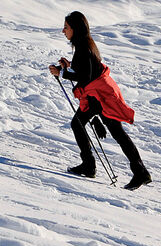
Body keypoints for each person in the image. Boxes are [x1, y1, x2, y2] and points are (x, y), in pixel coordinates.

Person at [49, 11, 152, 190]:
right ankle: (95, 166)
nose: (63, 31)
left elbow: (85, 76)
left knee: (109, 131)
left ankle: (135, 172)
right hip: (100, 94)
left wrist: (62, 73)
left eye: (66, 27)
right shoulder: (84, 45)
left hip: (101, 97)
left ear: (75, 28)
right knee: (97, 128)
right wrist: (69, 66)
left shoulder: (83, 48)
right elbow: (86, 70)